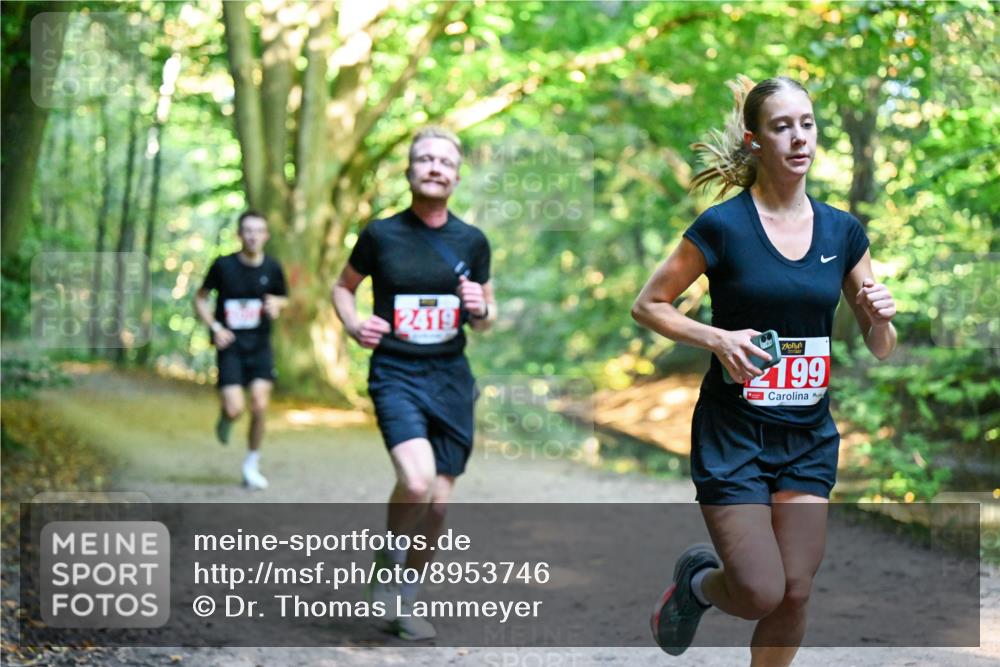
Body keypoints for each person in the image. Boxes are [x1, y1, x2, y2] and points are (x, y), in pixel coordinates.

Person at [632, 75, 897, 665]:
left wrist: (880, 317)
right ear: (754, 141)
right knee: (758, 591)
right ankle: (698, 583)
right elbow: (647, 304)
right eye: (782, 127)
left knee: (795, 592)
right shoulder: (723, 227)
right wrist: (717, 338)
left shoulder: (842, 231)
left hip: (806, 436)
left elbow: (881, 345)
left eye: (807, 124)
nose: (799, 138)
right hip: (735, 436)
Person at [332, 127, 495, 640]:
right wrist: (356, 324)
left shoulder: (472, 241)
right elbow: (342, 289)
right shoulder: (380, 235)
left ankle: (405, 600)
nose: (434, 167)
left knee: (439, 505)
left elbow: (487, 315)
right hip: (396, 373)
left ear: (456, 175)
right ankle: (389, 553)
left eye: (444, 161)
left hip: (450, 379)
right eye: (424, 159)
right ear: (409, 171)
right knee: (417, 480)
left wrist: (481, 309)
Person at [194, 210, 288, 490]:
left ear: (266, 235)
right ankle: (227, 416)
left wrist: (277, 305)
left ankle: (251, 464)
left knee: (260, 404)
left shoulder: (272, 268)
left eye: (259, 230)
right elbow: (200, 299)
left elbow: (283, 298)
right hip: (231, 347)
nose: (253, 235)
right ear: (239, 234)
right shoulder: (223, 266)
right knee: (236, 408)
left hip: (260, 347)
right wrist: (214, 327)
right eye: (247, 230)